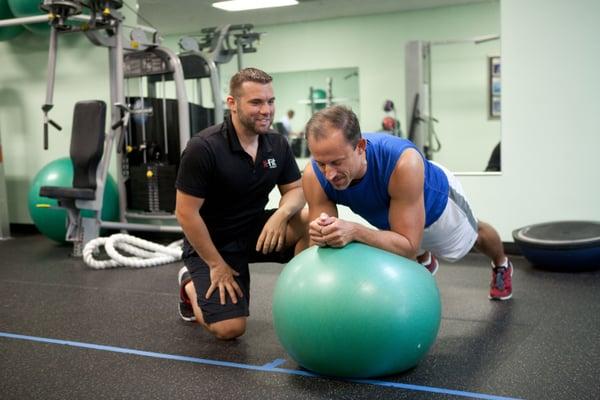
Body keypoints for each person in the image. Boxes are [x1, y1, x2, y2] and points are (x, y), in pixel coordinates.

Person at [302, 105, 513, 301]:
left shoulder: (403, 162)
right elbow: (322, 243)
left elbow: (408, 246)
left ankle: (502, 264)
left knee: (475, 236)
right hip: (396, 217)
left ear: (360, 147)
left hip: (437, 204)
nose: (329, 174)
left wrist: (355, 231)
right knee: (402, 236)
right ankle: (425, 258)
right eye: (321, 163)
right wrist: (323, 233)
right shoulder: (314, 175)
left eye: (337, 162)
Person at [175, 68, 308, 340]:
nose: (266, 110)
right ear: (232, 104)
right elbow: (186, 213)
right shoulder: (204, 148)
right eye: (256, 102)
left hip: (254, 232)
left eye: (270, 101)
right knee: (230, 330)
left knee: (308, 221)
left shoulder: (277, 144)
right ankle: (189, 284)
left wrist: (281, 214)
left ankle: (305, 302)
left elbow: (296, 190)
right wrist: (215, 265)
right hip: (213, 244)